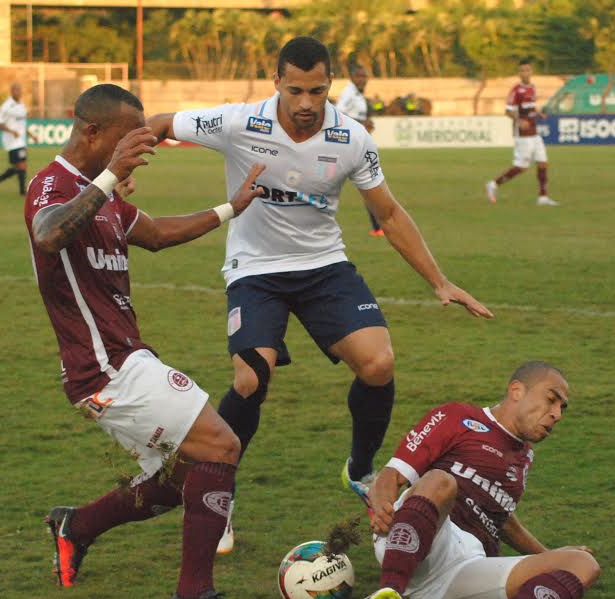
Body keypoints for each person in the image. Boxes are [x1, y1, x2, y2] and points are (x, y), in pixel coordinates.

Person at [148, 36, 493, 554]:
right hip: (256, 269)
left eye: (317, 90)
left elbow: (390, 213)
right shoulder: (239, 122)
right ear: (276, 82)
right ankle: (220, 497)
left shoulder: (352, 138)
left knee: (378, 364)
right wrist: (109, 177)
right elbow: (158, 123)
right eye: (295, 91)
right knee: (250, 376)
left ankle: (359, 468)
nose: (307, 103)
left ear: (329, 83)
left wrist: (438, 281)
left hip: (324, 266)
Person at [25, 83, 267, 599]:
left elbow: (156, 234)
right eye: (127, 138)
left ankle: (77, 526)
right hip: (103, 367)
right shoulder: (54, 184)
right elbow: (48, 235)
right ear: (92, 131)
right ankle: (193, 596)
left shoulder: (104, 194)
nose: (139, 146)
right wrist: (111, 175)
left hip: (129, 357)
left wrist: (233, 207)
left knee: (186, 479)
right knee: (220, 446)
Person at [361, 361, 600, 599]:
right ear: (516, 391)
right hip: (420, 541)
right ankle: (388, 594)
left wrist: (548, 554)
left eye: (562, 408)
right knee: (441, 480)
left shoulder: (525, 457)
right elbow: (390, 476)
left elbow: (501, 518)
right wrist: (382, 508)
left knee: (584, 563)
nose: (556, 414)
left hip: (463, 569)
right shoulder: (457, 418)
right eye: (551, 400)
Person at [486, 59, 557, 206]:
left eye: (527, 70)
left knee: (543, 163)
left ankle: (542, 197)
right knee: (522, 167)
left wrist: (539, 114)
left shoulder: (532, 87)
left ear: (531, 72)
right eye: (522, 70)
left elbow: (531, 106)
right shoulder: (516, 90)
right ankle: (493, 184)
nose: (525, 73)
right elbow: (508, 111)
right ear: (519, 73)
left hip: (534, 132)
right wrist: (520, 121)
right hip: (522, 134)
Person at [335, 65, 383, 237]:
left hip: (357, 144)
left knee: (369, 184)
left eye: (365, 76)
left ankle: (378, 227)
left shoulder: (358, 94)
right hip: (346, 146)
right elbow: (338, 114)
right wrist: (361, 124)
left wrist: (365, 123)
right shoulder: (348, 93)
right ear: (353, 78)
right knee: (369, 184)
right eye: (359, 76)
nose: (363, 80)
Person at [0, 83, 35, 196]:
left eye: (20, 90)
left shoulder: (21, 105)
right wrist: (11, 131)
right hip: (12, 142)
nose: (19, 93)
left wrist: (31, 134)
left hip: (21, 140)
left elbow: (22, 124)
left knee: (20, 166)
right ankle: (22, 192)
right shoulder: (6, 106)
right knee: (21, 166)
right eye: (17, 90)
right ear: (12, 91)